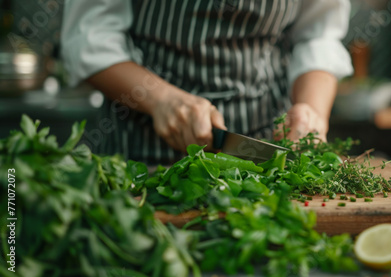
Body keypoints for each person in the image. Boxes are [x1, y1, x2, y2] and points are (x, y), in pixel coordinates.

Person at [61, 0, 353, 164]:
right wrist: (162, 100)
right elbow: (90, 36)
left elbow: (318, 34)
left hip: (266, 148)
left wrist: (310, 111)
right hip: (141, 154)